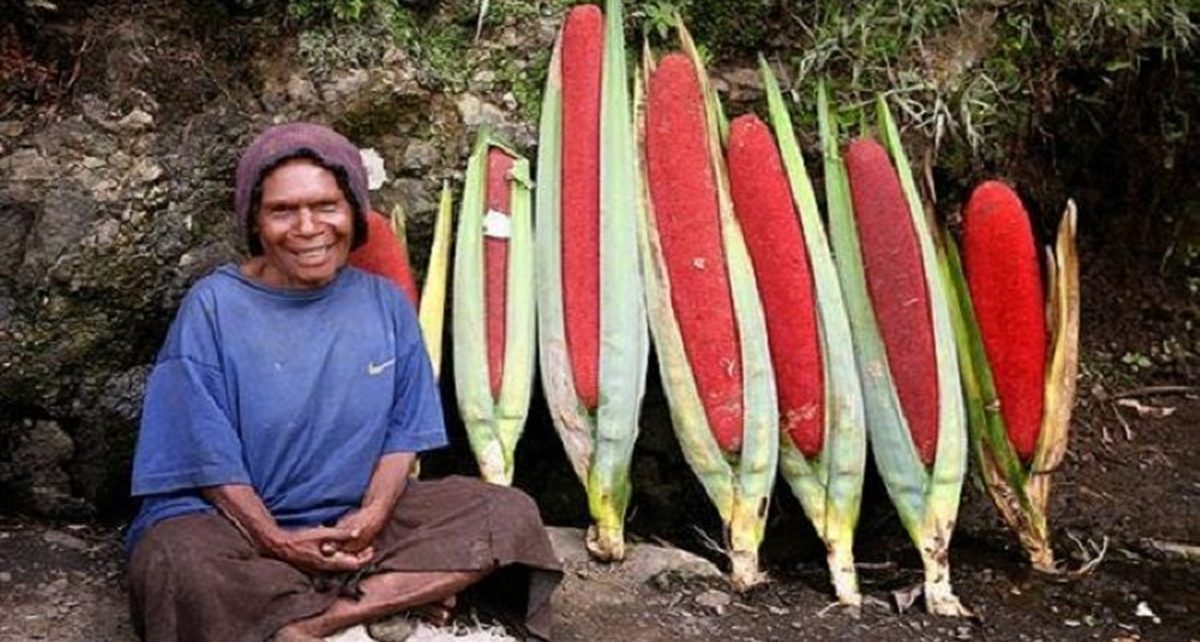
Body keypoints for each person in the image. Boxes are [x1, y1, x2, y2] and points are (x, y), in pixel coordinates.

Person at [125, 122, 562, 642]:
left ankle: (313, 622)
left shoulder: (384, 304)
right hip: (234, 524)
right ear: (255, 223)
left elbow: (403, 433)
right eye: (282, 211)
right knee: (177, 561)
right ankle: (386, 600)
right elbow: (205, 453)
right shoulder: (214, 306)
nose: (308, 227)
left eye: (326, 206)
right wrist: (276, 541)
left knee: (506, 514)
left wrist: (371, 516)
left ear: (353, 212)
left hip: (355, 519)